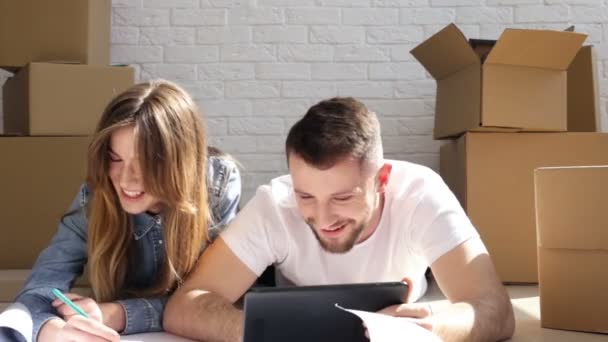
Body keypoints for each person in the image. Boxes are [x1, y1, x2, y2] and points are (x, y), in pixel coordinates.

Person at [164, 97, 515, 342]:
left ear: (382, 179)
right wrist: (260, 330)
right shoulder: (276, 204)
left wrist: (431, 327)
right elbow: (184, 305)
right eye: (306, 197)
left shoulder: (420, 194)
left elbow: (494, 309)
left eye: (343, 197)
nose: (323, 217)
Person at [13, 80, 241, 342]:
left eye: (144, 162)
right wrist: (50, 330)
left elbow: (215, 301)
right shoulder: (97, 194)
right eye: (115, 158)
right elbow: (41, 286)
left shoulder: (218, 182)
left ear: (180, 161)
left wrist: (116, 313)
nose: (125, 180)